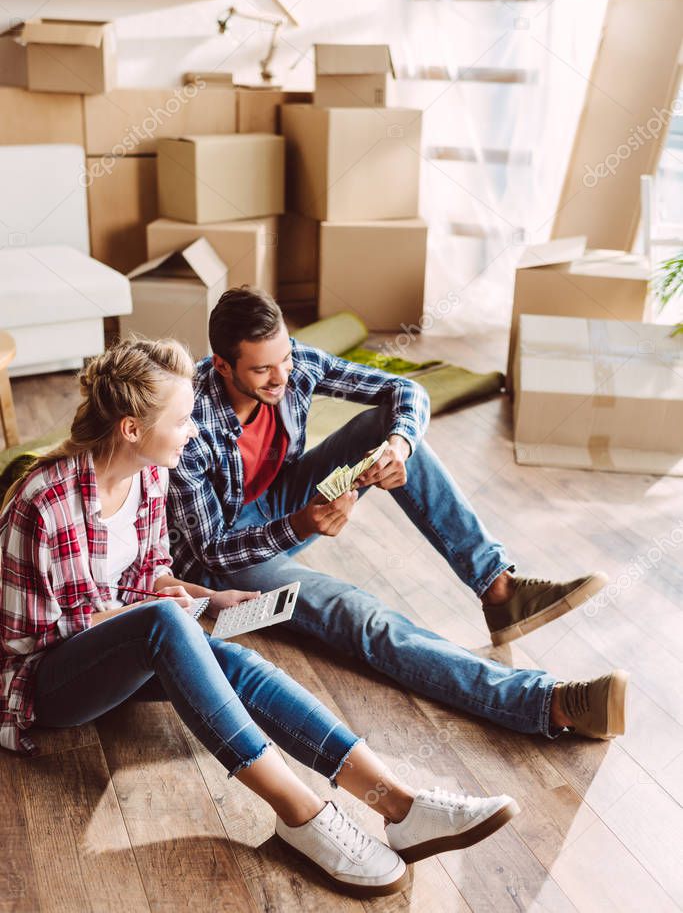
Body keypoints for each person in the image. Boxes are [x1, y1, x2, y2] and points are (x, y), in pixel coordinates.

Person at [0, 337, 523, 898]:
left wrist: (203, 597)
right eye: (181, 421)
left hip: (126, 646)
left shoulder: (148, 476)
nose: (194, 431)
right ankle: (301, 813)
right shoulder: (41, 500)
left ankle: (397, 803)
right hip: (45, 683)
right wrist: (161, 613)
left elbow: (150, 571)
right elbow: (31, 638)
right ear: (131, 428)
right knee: (166, 626)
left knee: (234, 662)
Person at [167, 287, 629, 742]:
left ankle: (498, 587)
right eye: (262, 369)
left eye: (285, 358)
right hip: (224, 556)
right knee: (355, 612)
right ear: (223, 366)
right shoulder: (190, 422)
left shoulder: (293, 364)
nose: (282, 376)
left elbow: (403, 389)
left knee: (385, 427)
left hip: (280, 501)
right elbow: (210, 550)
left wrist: (399, 445)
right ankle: (549, 703)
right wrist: (301, 525)